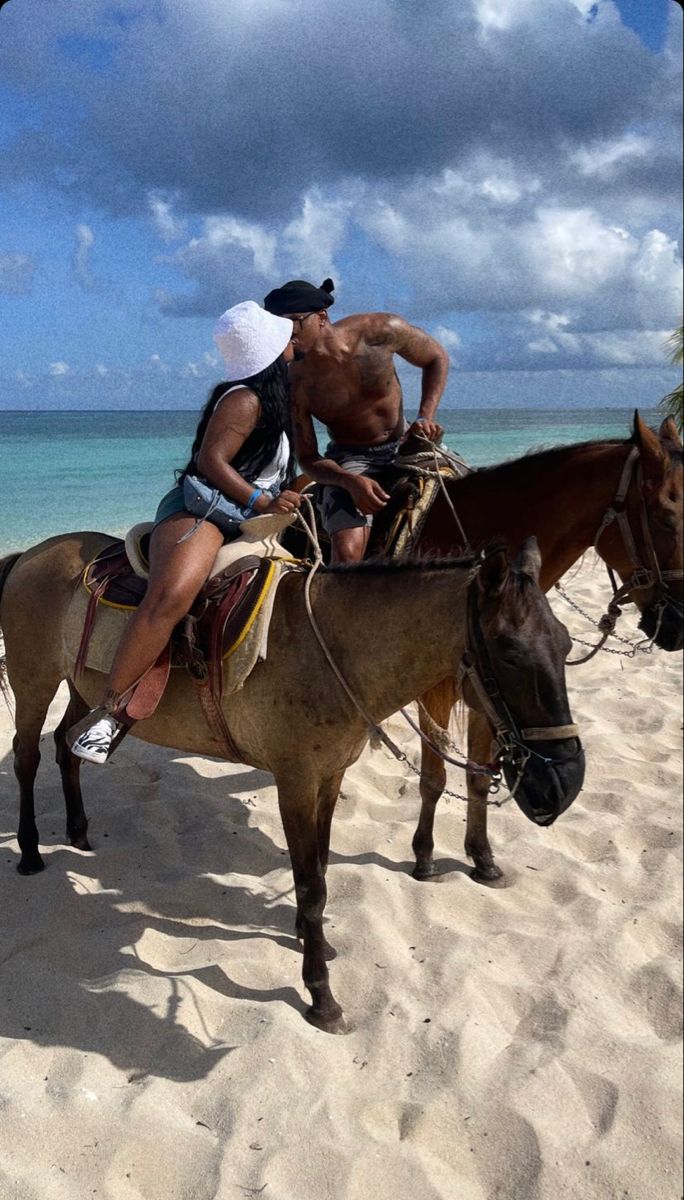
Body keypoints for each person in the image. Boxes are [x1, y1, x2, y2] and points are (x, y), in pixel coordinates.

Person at [70, 301, 302, 764]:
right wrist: (261, 502)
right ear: (273, 352)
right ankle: (108, 711)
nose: (295, 340)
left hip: (250, 515)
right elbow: (212, 462)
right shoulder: (245, 399)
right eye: (286, 336)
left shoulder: (277, 400)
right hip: (207, 512)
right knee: (171, 597)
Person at [263, 278, 449, 563]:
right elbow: (308, 457)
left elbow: (436, 357)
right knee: (347, 555)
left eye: (293, 324)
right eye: (278, 328)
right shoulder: (294, 382)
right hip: (350, 459)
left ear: (321, 317)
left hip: (408, 443)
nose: (287, 336)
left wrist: (426, 416)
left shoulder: (381, 331)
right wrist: (348, 481)